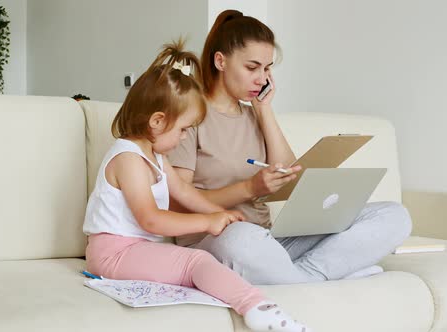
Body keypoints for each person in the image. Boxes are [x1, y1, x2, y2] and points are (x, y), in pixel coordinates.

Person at [167, 10, 413, 285]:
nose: (261, 79)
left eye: (267, 68)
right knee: (240, 237)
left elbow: (289, 182)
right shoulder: (189, 116)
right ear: (221, 61)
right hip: (216, 242)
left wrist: (264, 111)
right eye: (252, 67)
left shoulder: (255, 115)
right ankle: (325, 275)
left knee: (394, 215)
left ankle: (300, 278)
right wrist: (249, 189)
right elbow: (178, 203)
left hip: (269, 242)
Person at [83, 40, 313, 332]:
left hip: (134, 249)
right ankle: (258, 309)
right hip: (112, 255)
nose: (182, 139)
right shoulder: (128, 157)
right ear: (157, 121)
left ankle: (261, 305)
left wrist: (220, 214)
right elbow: (151, 218)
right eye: (182, 130)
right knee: (196, 262)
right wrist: (206, 221)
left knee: (198, 263)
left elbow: (184, 192)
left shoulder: (154, 155)